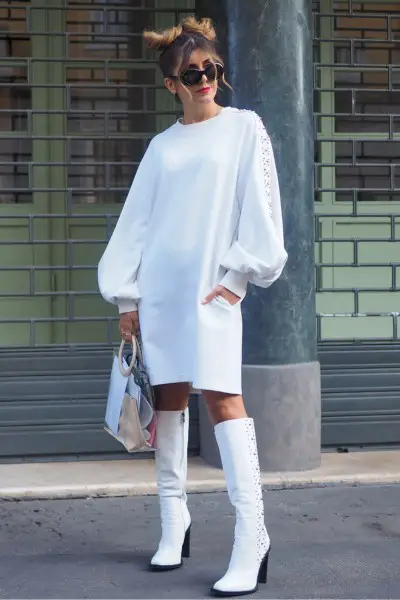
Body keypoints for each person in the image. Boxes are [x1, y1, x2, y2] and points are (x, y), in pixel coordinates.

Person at [98, 16, 287, 598]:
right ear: (171, 84)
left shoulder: (245, 129)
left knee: (226, 399)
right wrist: (127, 295)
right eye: (192, 72)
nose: (204, 78)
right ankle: (172, 520)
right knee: (172, 398)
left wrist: (236, 280)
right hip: (161, 288)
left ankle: (252, 535)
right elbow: (137, 223)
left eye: (212, 69)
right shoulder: (161, 147)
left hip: (211, 290)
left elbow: (262, 209)